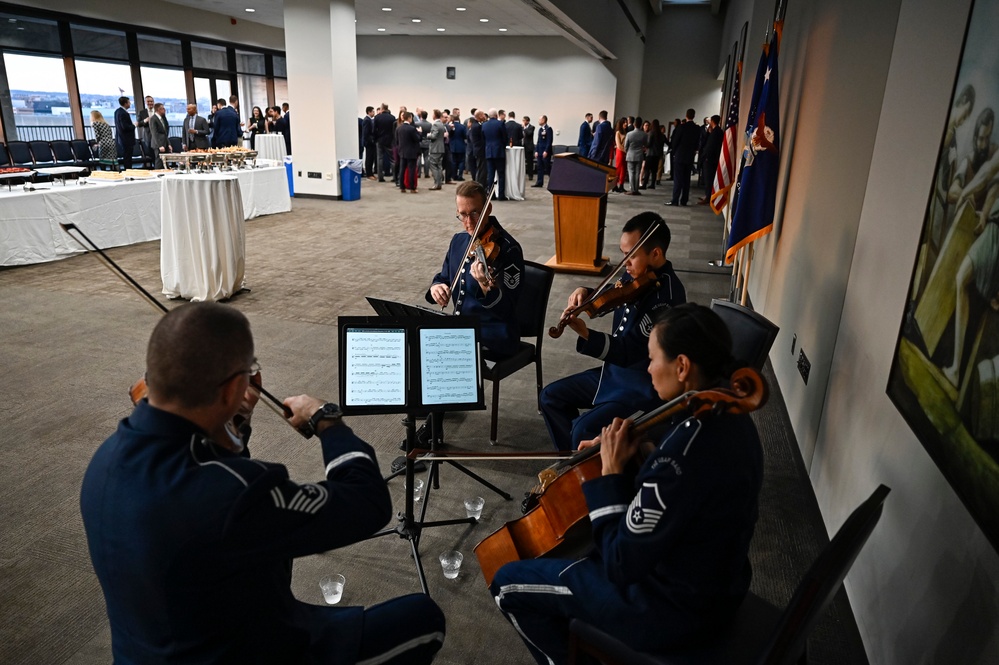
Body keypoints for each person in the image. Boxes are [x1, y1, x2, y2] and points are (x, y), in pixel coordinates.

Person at [80, 303, 446, 665]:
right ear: (230, 391)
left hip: (153, 647)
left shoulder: (106, 458)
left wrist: (234, 419)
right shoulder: (238, 494)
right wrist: (327, 420)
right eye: (249, 373)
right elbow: (367, 503)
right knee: (423, 618)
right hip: (249, 650)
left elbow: (212, 479)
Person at [492, 303, 763, 665]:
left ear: (682, 367)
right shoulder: (735, 419)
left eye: (652, 359)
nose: (648, 368)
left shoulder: (680, 455)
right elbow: (686, 491)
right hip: (718, 583)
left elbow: (620, 563)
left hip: (670, 609)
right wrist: (638, 449)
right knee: (579, 556)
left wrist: (611, 472)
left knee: (508, 582)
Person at [540, 212, 686, 452]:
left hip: (641, 385)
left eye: (631, 255)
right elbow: (616, 292)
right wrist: (585, 292)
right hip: (615, 374)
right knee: (550, 397)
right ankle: (575, 467)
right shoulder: (637, 273)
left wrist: (587, 335)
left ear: (656, 254)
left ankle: (580, 473)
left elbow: (628, 352)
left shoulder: (666, 300)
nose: (625, 263)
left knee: (581, 429)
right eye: (623, 254)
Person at [427, 180, 524, 358]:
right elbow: (444, 277)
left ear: (488, 209)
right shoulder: (458, 241)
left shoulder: (508, 249)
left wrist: (486, 287)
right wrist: (436, 286)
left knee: (440, 353)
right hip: (462, 331)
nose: (469, 222)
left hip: (494, 335)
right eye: (462, 215)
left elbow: (508, 309)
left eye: (474, 213)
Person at [667, 109, 701, 206]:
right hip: (689, 156)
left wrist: (674, 152)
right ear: (694, 116)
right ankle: (684, 200)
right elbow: (697, 142)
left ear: (686, 116)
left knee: (678, 179)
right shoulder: (697, 128)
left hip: (680, 156)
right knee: (686, 180)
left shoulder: (682, 127)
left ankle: (675, 200)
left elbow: (675, 141)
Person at [482, 108, 509, 200]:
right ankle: (501, 195)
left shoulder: (484, 125)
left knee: (490, 175)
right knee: (501, 174)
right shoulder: (500, 123)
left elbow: (483, 138)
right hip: (499, 151)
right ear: (496, 115)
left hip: (489, 151)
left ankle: (491, 195)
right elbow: (505, 137)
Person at [698, 115, 724, 204]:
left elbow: (711, 147)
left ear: (712, 121)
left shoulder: (717, 132)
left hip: (710, 159)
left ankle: (708, 197)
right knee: (707, 178)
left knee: (709, 179)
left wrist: (705, 157)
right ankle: (707, 195)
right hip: (710, 158)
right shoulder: (715, 131)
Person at [397, 111, 422, 193]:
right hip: (411, 152)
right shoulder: (412, 129)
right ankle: (412, 188)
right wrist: (420, 132)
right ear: (409, 118)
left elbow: (397, 140)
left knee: (402, 170)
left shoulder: (399, 128)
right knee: (411, 170)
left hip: (402, 151)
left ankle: (402, 187)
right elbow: (417, 139)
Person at [624, 119, 649, 195]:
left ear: (634, 125)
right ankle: (636, 189)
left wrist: (627, 151)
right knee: (637, 172)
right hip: (639, 155)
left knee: (631, 172)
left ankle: (632, 189)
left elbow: (626, 146)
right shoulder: (644, 134)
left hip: (630, 154)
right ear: (641, 125)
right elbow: (646, 144)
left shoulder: (629, 134)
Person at [428, 108, 447, 190]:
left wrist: (428, 135)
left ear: (435, 115)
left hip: (435, 149)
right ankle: (439, 183)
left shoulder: (435, 124)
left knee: (433, 166)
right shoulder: (441, 124)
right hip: (441, 148)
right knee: (439, 166)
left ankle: (436, 183)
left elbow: (434, 136)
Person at [642, 119, 664, 190]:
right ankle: (652, 184)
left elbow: (648, 144)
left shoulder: (651, 133)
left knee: (647, 170)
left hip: (650, 154)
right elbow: (667, 142)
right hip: (657, 155)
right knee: (654, 171)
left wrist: (644, 145)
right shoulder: (661, 135)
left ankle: (644, 184)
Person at [114, 96, 134, 170]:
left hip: (121, 138)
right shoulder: (123, 113)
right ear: (125, 103)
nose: (130, 104)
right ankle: (128, 171)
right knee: (128, 158)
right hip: (126, 139)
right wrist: (134, 126)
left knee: (126, 157)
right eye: (129, 102)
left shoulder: (117, 111)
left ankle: (128, 171)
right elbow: (125, 127)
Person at [533, 115, 553, 188]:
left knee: (547, 167)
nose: (538, 121)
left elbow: (549, 141)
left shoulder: (548, 129)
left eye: (540, 119)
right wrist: (536, 151)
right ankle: (539, 182)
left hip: (545, 152)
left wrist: (546, 151)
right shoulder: (540, 130)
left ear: (544, 120)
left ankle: (554, 181)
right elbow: (538, 141)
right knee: (539, 167)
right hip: (540, 151)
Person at [149, 102, 170, 169]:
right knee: (159, 161)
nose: (164, 110)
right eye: (163, 109)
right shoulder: (153, 119)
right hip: (158, 144)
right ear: (159, 109)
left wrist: (168, 144)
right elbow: (154, 133)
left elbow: (165, 133)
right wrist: (159, 145)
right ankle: (157, 174)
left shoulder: (163, 118)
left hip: (165, 142)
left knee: (165, 161)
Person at [449, 110, 467, 181]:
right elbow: (465, 136)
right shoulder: (462, 127)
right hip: (461, 146)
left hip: (453, 146)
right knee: (461, 161)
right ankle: (460, 176)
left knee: (454, 162)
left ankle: (454, 176)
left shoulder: (450, 126)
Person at [612, 117, 628, 193]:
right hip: (620, 151)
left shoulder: (625, 132)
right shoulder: (618, 132)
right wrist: (625, 151)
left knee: (624, 169)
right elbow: (618, 145)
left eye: (626, 122)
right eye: (624, 122)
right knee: (618, 168)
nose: (626, 124)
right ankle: (614, 185)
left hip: (624, 151)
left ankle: (621, 185)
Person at [361, 106, 376, 179]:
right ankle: (369, 174)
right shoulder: (367, 120)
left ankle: (371, 173)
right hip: (369, 143)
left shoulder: (369, 119)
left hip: (370, 142)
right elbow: (366, 133)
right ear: (369, 112)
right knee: (369, 158)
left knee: (371, 158)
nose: (374, 113)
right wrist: (371, 140)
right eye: (373, 111)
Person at [522, 115, 536, 180]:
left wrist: (524, 128)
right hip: (523, 146)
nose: (523, 122)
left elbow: (529, 133)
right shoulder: (522, 127)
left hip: (529, 147)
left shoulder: (532, 127)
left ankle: (530, 175)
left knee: (529, 162)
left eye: (524, 120)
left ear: (527, 121)